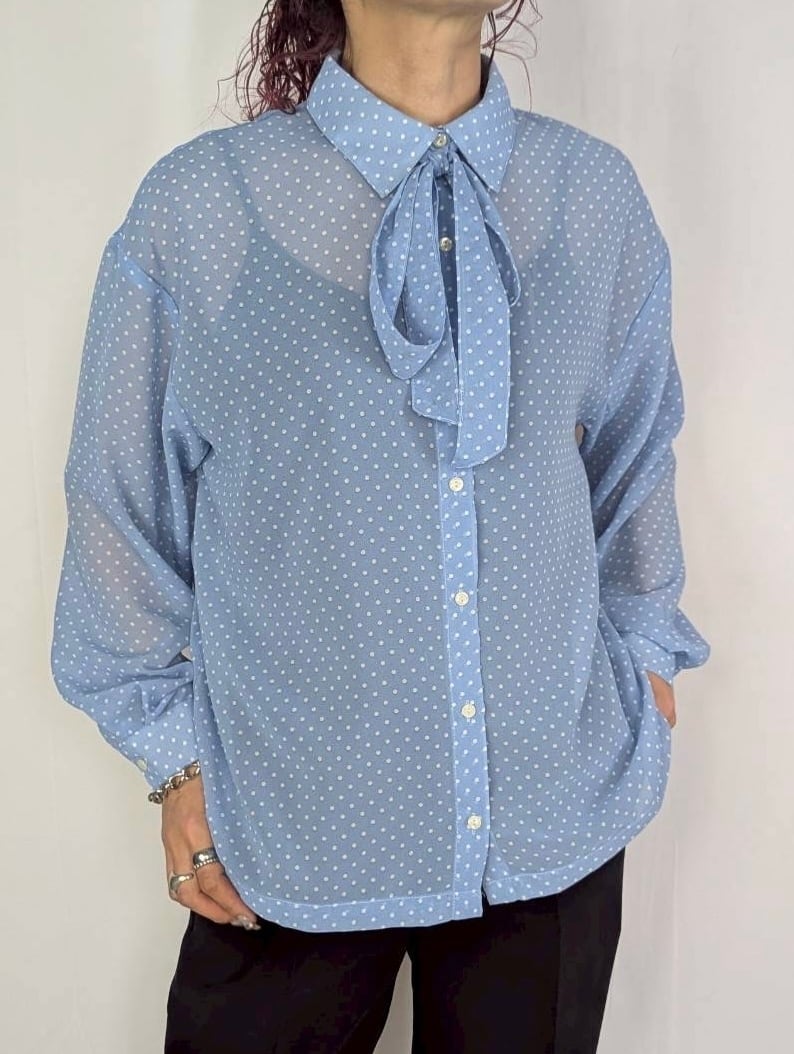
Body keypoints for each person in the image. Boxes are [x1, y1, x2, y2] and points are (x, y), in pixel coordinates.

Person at [49, 1, 711, 1051]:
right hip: (292, 832)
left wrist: (644, 650)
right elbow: (118, 506)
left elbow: (634, 451)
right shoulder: (203, 206)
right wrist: (171, 756)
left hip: (551, 819)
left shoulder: (590, 195)